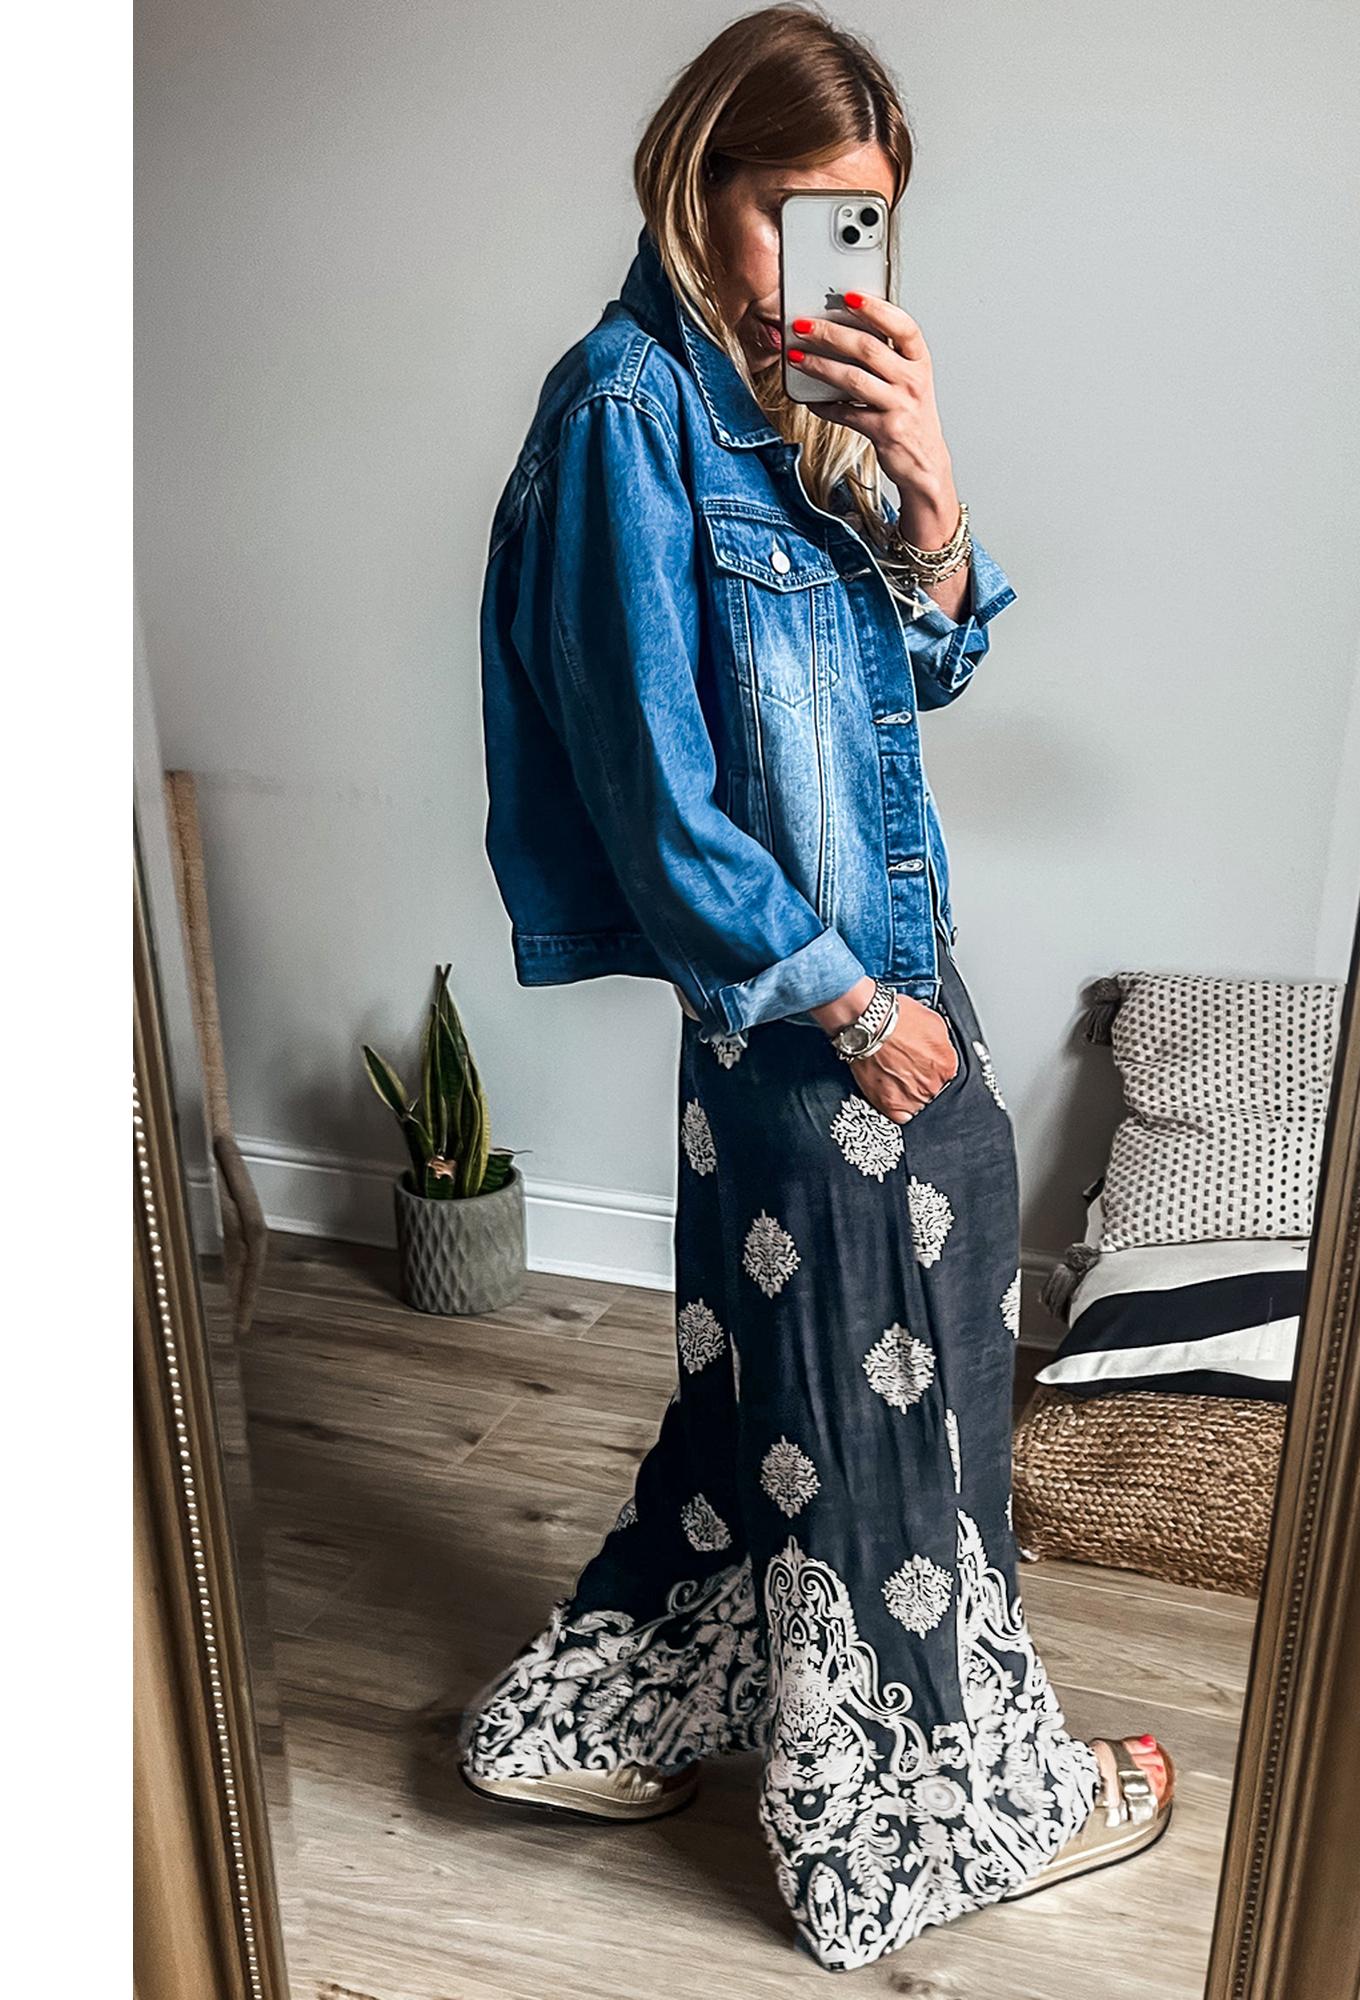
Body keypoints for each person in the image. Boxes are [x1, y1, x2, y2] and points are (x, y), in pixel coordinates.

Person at [465, 6, 1175, 1973]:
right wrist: (846, 1006)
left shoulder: (783, 403)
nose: (819, 258)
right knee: (876, 1407)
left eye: (857, 219)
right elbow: (648, 786)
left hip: (872, 968)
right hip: (806, 1004)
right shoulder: (623, 413)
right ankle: (924, 1822)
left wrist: (932, 502)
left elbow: (909, 679)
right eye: (788, 210)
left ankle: (593, 1716)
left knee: (770, 1396)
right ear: (693, 184)